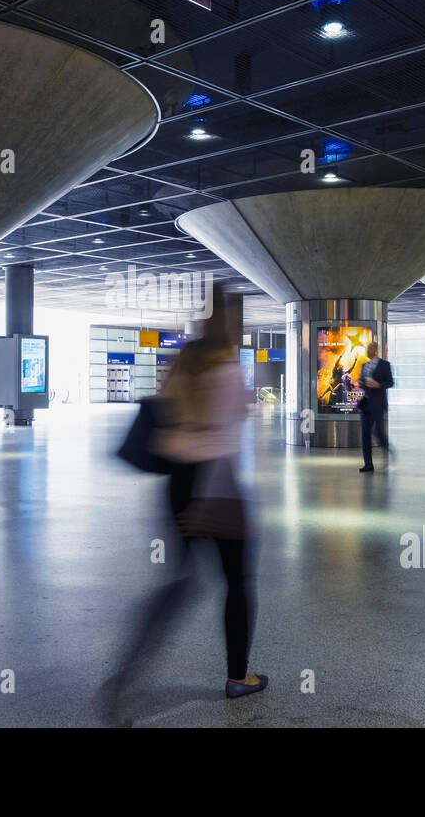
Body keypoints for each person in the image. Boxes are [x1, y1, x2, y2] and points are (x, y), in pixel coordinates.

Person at [105, 287, 265, 721]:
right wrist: (208, 501)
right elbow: (222, 435)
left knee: (182, 583)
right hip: (214, 484)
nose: (240, 325)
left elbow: (167, 421)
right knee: (236, 580)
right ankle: (238, 677)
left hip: (177, 483)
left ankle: (125, 677)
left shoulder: (183, 361)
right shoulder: (225, 367)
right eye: (237, 318)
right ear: (228, 321)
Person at [358, 340, 394, 472]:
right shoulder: (364, 365)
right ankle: (368, 464)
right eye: (367, 348)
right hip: (366, 403)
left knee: (378, 432)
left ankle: (388, 451)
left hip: (378, 403)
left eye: (370, 348)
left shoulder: (385, 365)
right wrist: (361, 382)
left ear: (375, 350)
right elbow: (362, 384)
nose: (368, 351)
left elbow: (390, 382)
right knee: (365, 433)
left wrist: (378, 384)